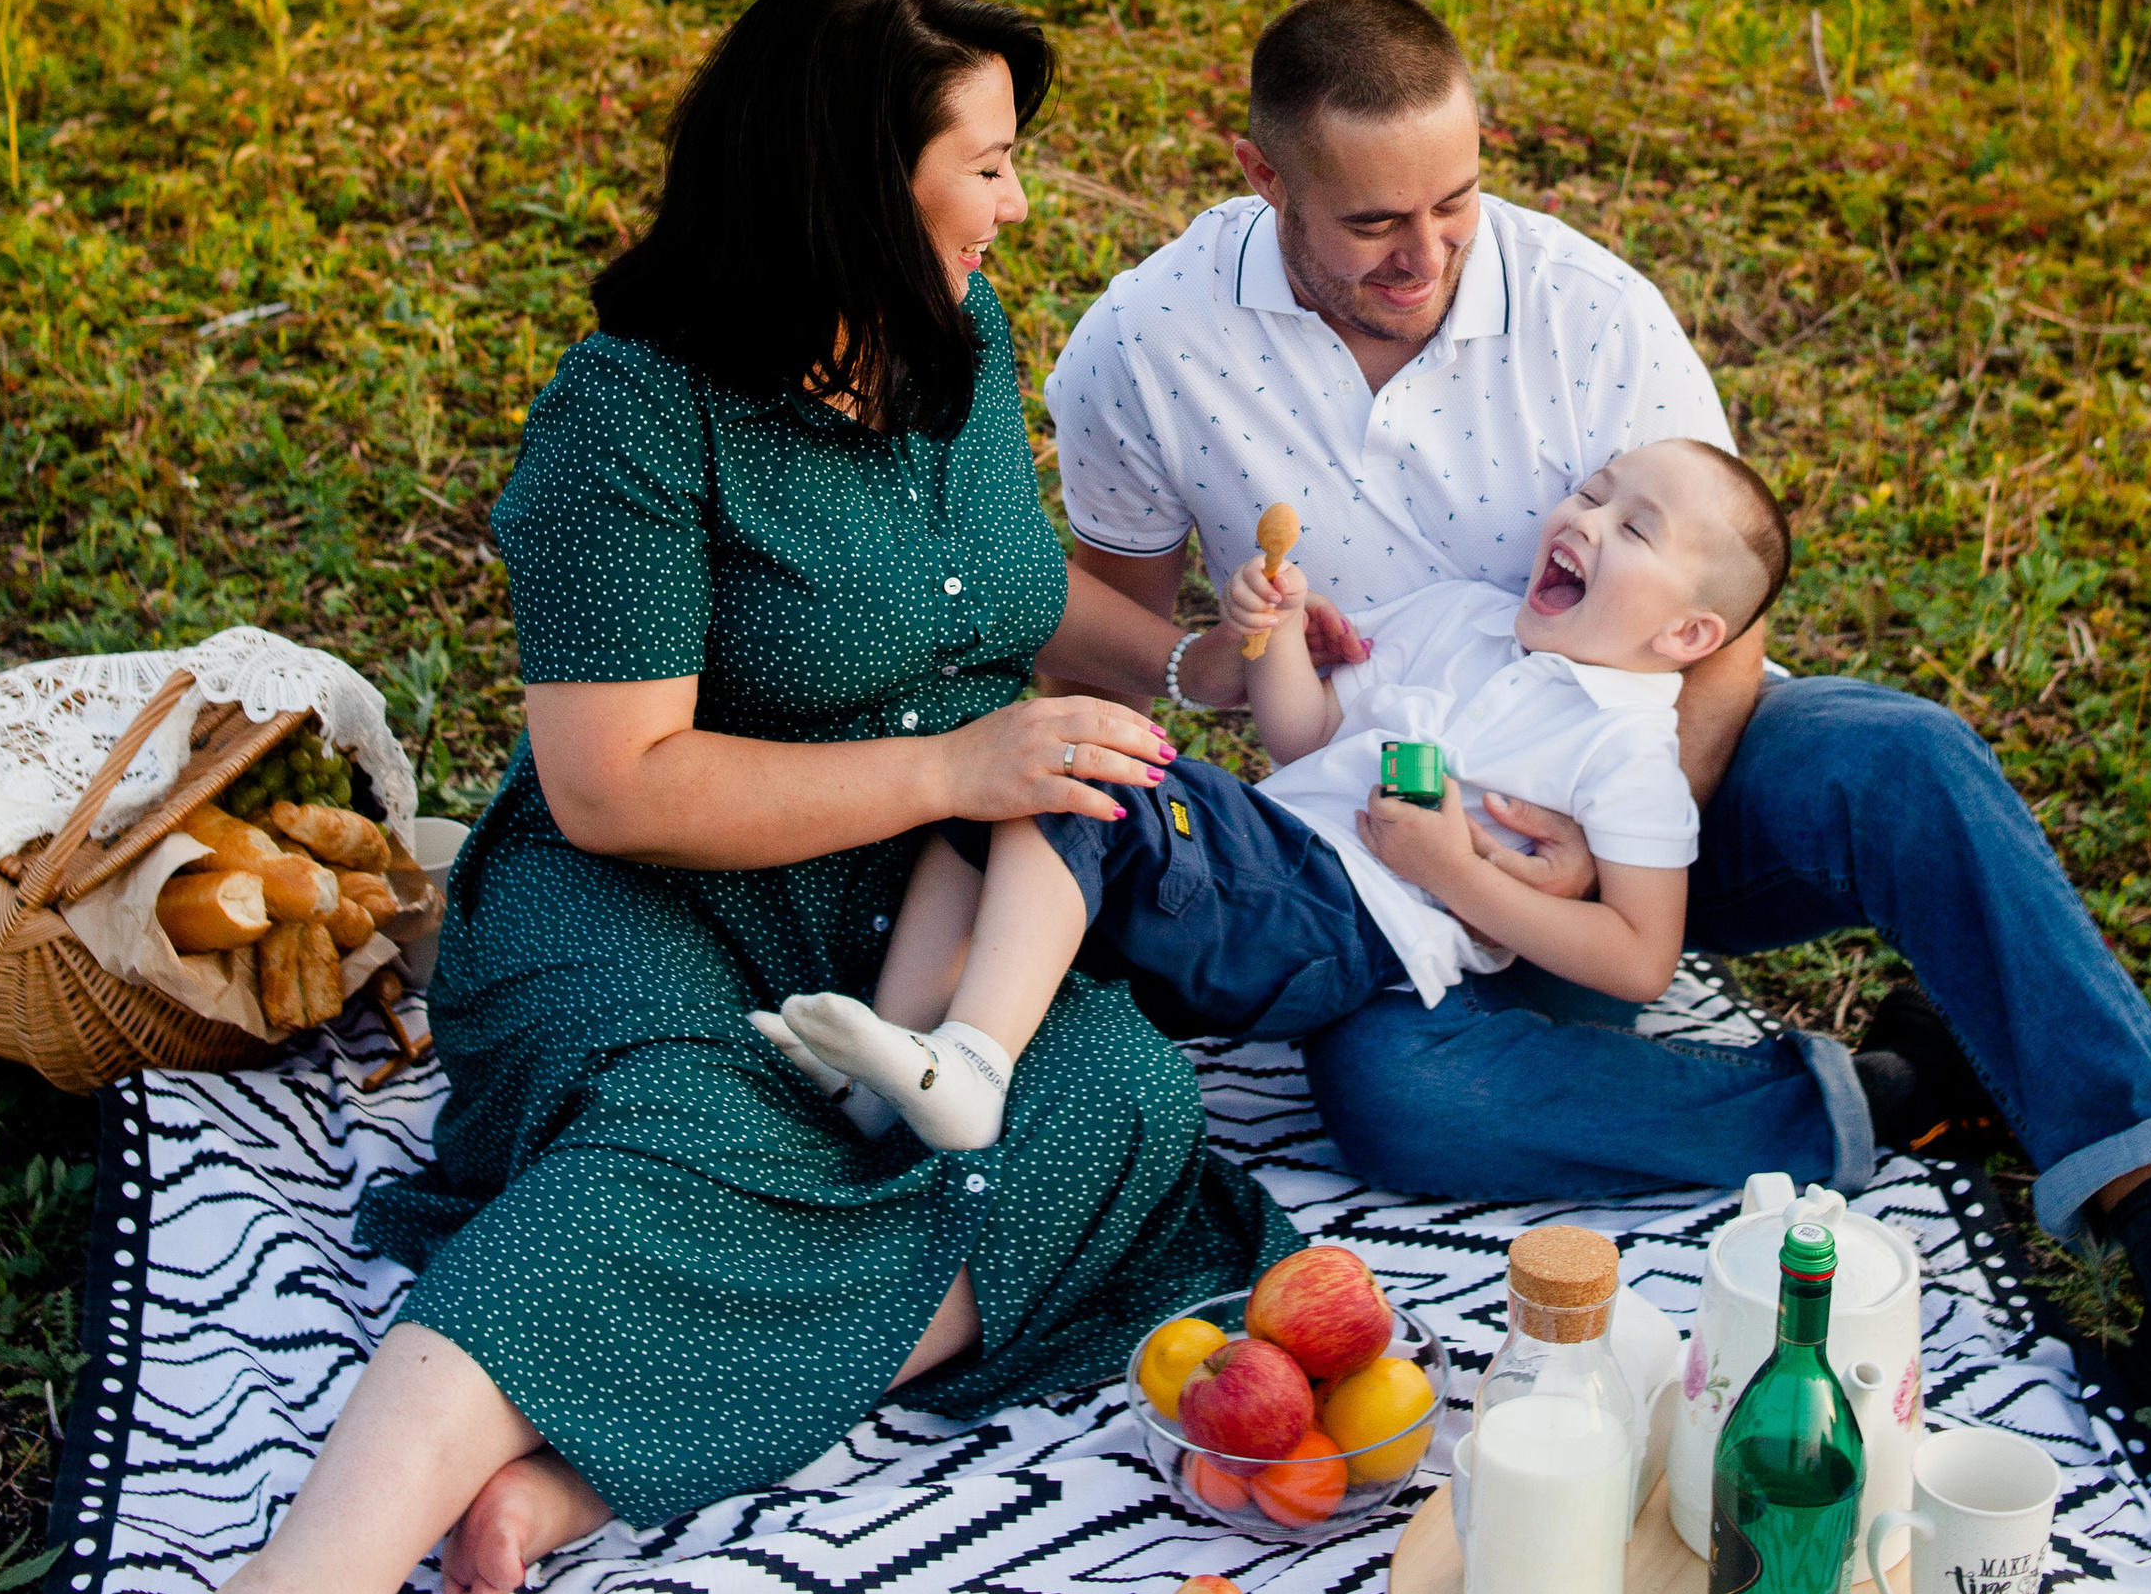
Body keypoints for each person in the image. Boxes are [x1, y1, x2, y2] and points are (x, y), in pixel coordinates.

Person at [119, 0, 1292, 1594]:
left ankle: (575, 1463)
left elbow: (992, 607)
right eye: (984, 165)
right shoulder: (631, 421)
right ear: (851, 176)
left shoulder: (958, 334)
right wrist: (957, 775)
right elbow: (613, 784)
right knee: (707, 1137)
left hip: (898, 907)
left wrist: (1188, 662)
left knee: (1106, 1104)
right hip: (641, 906)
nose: (1016, 205)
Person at [1041, 0, 2151, 1535]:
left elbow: (1714, 622)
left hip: (1661, 785)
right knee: (1399, 1102)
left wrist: (1604, 860)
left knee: (1902, 756)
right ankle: (1875, 1101)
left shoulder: (1593, 309)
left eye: (1458, 202)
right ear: (1265, 180)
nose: (1429, 256)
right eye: (1376, 224)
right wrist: (1230, 665)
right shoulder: (1151, 337)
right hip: (1398, 863)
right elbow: (1103, 615)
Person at [763, 441, 1787, 1144]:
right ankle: (883, 1079)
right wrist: (1279, 631)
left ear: (1688, 635)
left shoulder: (1627, 756)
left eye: (1634, 527)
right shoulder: (1459, 619)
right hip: (1270, 860)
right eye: (1594, 491)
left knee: (1086, 766)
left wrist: (1453, 874)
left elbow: (1641, 961)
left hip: (1337, 924)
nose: (1589, 517)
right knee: (1004, 782)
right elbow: (1304, 738)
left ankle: (974, 1062)